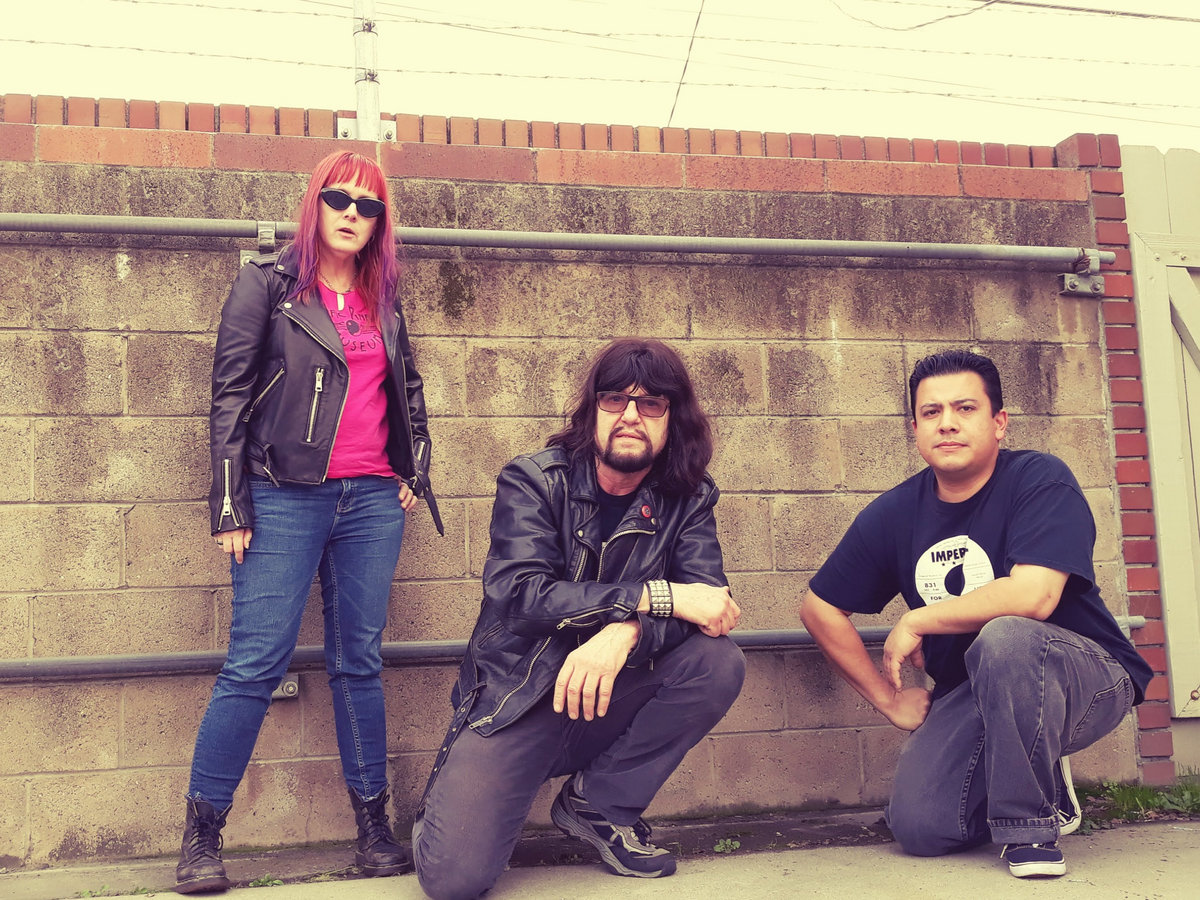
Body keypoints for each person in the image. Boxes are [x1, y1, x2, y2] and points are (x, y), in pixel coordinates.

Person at [176, 150, 441, 894]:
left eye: (369, 206)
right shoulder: (267, 284)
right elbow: (229, 398)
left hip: (371, 502)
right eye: (339, 199)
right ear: (314, 204)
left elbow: (407, 391)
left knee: (359, 661)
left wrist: (413, 468)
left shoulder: (384, 295)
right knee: (256, 662)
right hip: (284, 495)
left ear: (380, 222)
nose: (353, 214)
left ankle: (373, 829)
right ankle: (202, 836)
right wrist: (230, 502)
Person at [800, 349, 1152, 880]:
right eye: (931, 412)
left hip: (1088, 676)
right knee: (920, 827)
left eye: (964, 408)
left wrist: (917, 620)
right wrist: (888, 699)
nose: (947, 423)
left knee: (1006, 636)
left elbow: (1034, 596)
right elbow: (819, 607)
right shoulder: (895, 513)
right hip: (975, 692)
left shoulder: (1039, 478)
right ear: (915, 429)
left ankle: (1030, 830)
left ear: (999, 422)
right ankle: (1032, 775)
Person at [412, 338, 745, 900]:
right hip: (519, 700)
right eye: (615, 400)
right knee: (453, 881)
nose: (631, 416)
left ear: (673, 419)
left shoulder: (689, 498)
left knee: (717, 661)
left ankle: (599, 804)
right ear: (592, 409)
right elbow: (521, 595)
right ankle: (448, 806)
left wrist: (625, 632)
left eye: (651, 403)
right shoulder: (536, 480)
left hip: (609, 694)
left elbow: (709, 607)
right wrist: (651, 597)